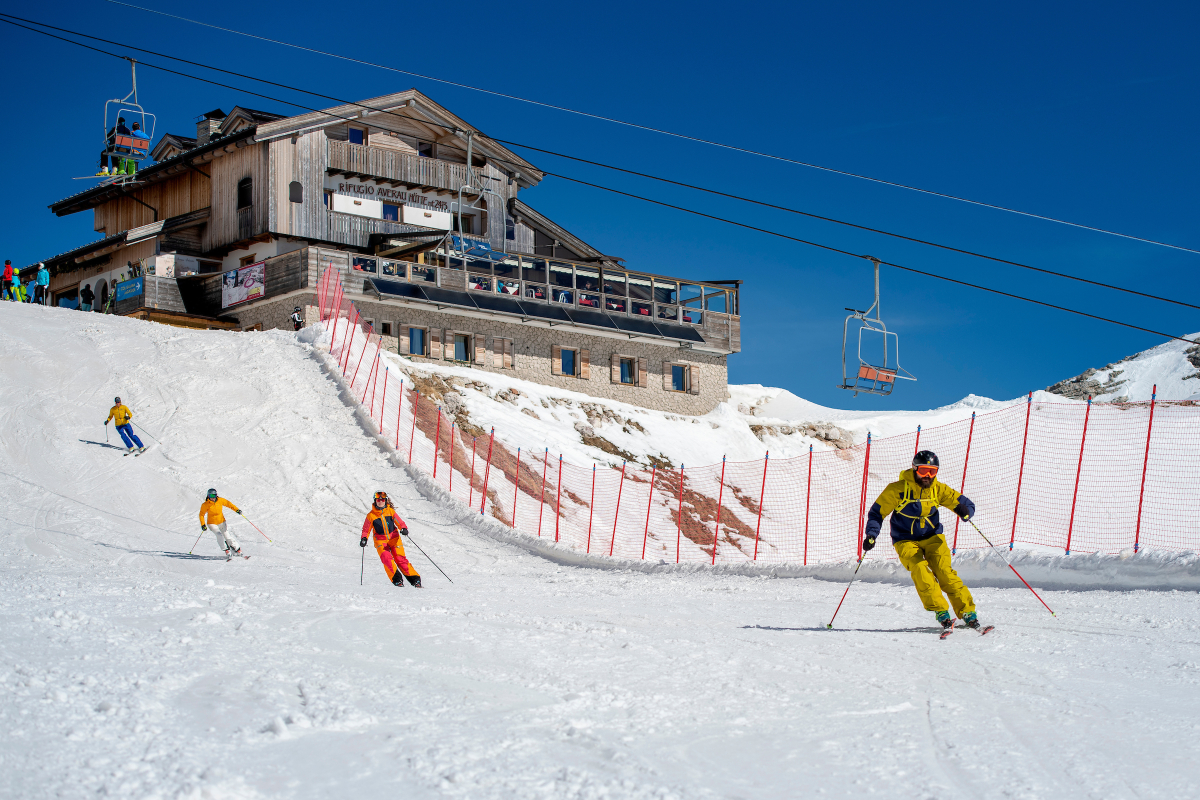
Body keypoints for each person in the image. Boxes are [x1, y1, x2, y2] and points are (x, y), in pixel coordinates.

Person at [862, 450, 980, 632]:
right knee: (920, 569)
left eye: (932, 472)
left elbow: (967, 504)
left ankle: (967, 612)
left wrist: (964, 511)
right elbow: (877, 513)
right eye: (924, 471)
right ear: (914, 469)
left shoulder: (938, 489)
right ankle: (941, 611)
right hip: (905, 539)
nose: (927, 476)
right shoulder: (897, 489)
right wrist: (871, 534)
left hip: (933, 537)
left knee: (944, 572)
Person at [360, 491, 422, 588]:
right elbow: (366, 529)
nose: (380, 502)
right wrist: (364, 538)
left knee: (400, 558)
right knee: (386, 558)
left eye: (382, 500)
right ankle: (397, 580)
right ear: (375, 501)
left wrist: (403, 528)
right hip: (380, 541)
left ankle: (415, 579)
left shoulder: (390, 511)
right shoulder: (371, 515)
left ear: (385, 501)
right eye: (378, 500)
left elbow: (399, 522)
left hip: (394, 538)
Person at [199, 489, 244, 558]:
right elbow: (201, 515)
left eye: (214, 495)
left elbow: (229, 504)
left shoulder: (220, 500)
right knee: (219, 535)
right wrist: (203, 524)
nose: (212, 497)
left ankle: (237, 549)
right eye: (210, 495)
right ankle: (226, 550)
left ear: (216, 495)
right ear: (208, 496)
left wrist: (237, 510)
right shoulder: (205, 505)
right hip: (212, 523)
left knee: (227, 536)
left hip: (222, 522)